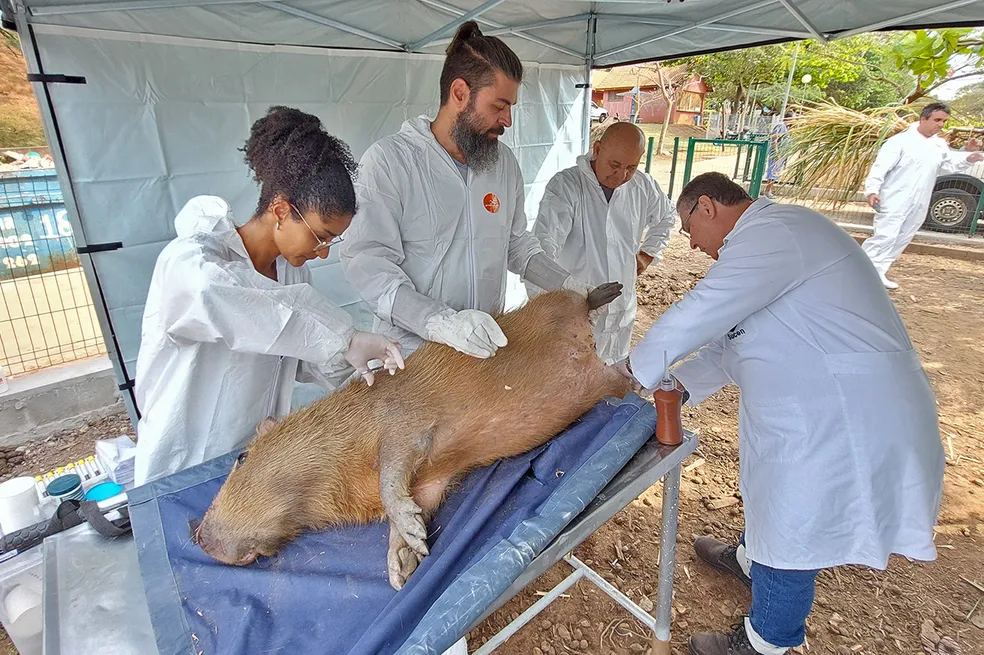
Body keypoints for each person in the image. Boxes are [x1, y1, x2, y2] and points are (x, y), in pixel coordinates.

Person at [619, 172, 945, 655]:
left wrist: (630, 372)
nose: (692, 246)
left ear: (706, 207)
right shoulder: (763, 250)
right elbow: (730, 344)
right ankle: (752, 560)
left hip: (843, 416)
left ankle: (765, 640)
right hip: (813, 408)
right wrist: (676, 387)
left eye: (689, 231)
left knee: (793, 524)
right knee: (775, 500)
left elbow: (700, 311)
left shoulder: (777, 233)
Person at [133, 106, 405, 487]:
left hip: (249, 464)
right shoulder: (192, 263)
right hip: (184, 466)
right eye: (320, 234)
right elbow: (247, 306)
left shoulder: (292, 273)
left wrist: (360, 365)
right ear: (280, 210)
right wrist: (345, 338)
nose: (324, 250)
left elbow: (299, 351)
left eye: (333, 239)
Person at [339, 21, 593, 360]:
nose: (508, 121)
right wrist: (440, 323)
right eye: (499, 106)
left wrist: (570, 288)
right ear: (460, 94)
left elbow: (518, 247)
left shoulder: (503, 165)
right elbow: (369, 267)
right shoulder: (391, 162)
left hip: (485, 354)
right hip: (415, 357)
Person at [526, 121, 674, 364]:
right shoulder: (567, 186)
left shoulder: (643, 186)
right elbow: (544, 246)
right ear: (597, 149)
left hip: (622, 312)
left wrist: (648, 253)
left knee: (613, 381)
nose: (621, 175)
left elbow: (667, 215)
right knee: (573, 383)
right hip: (577, 312)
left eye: (631, 167)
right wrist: (557, 301)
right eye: (614, 165)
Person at [863, 102, 982, 289]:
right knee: (885, 236)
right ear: (924, 118)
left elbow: (946, 166)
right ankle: (864, 271)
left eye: (944, 121)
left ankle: (879, 271)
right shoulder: (900, 142)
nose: (941, 124)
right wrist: (872, 190)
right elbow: (880, 167)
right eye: (937, 120)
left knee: (904, 236)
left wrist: (968, 158)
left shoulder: (939, 145)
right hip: (894, 197)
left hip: (920, 199)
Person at [762, 112, 791, 199]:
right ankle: (767, 191)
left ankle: (769, 190)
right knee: (772, 172)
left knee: (775, 172)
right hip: (776, 153)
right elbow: (775, 140)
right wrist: (776, 153)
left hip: (781, 153)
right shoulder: (781, 126)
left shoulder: (786, 128)